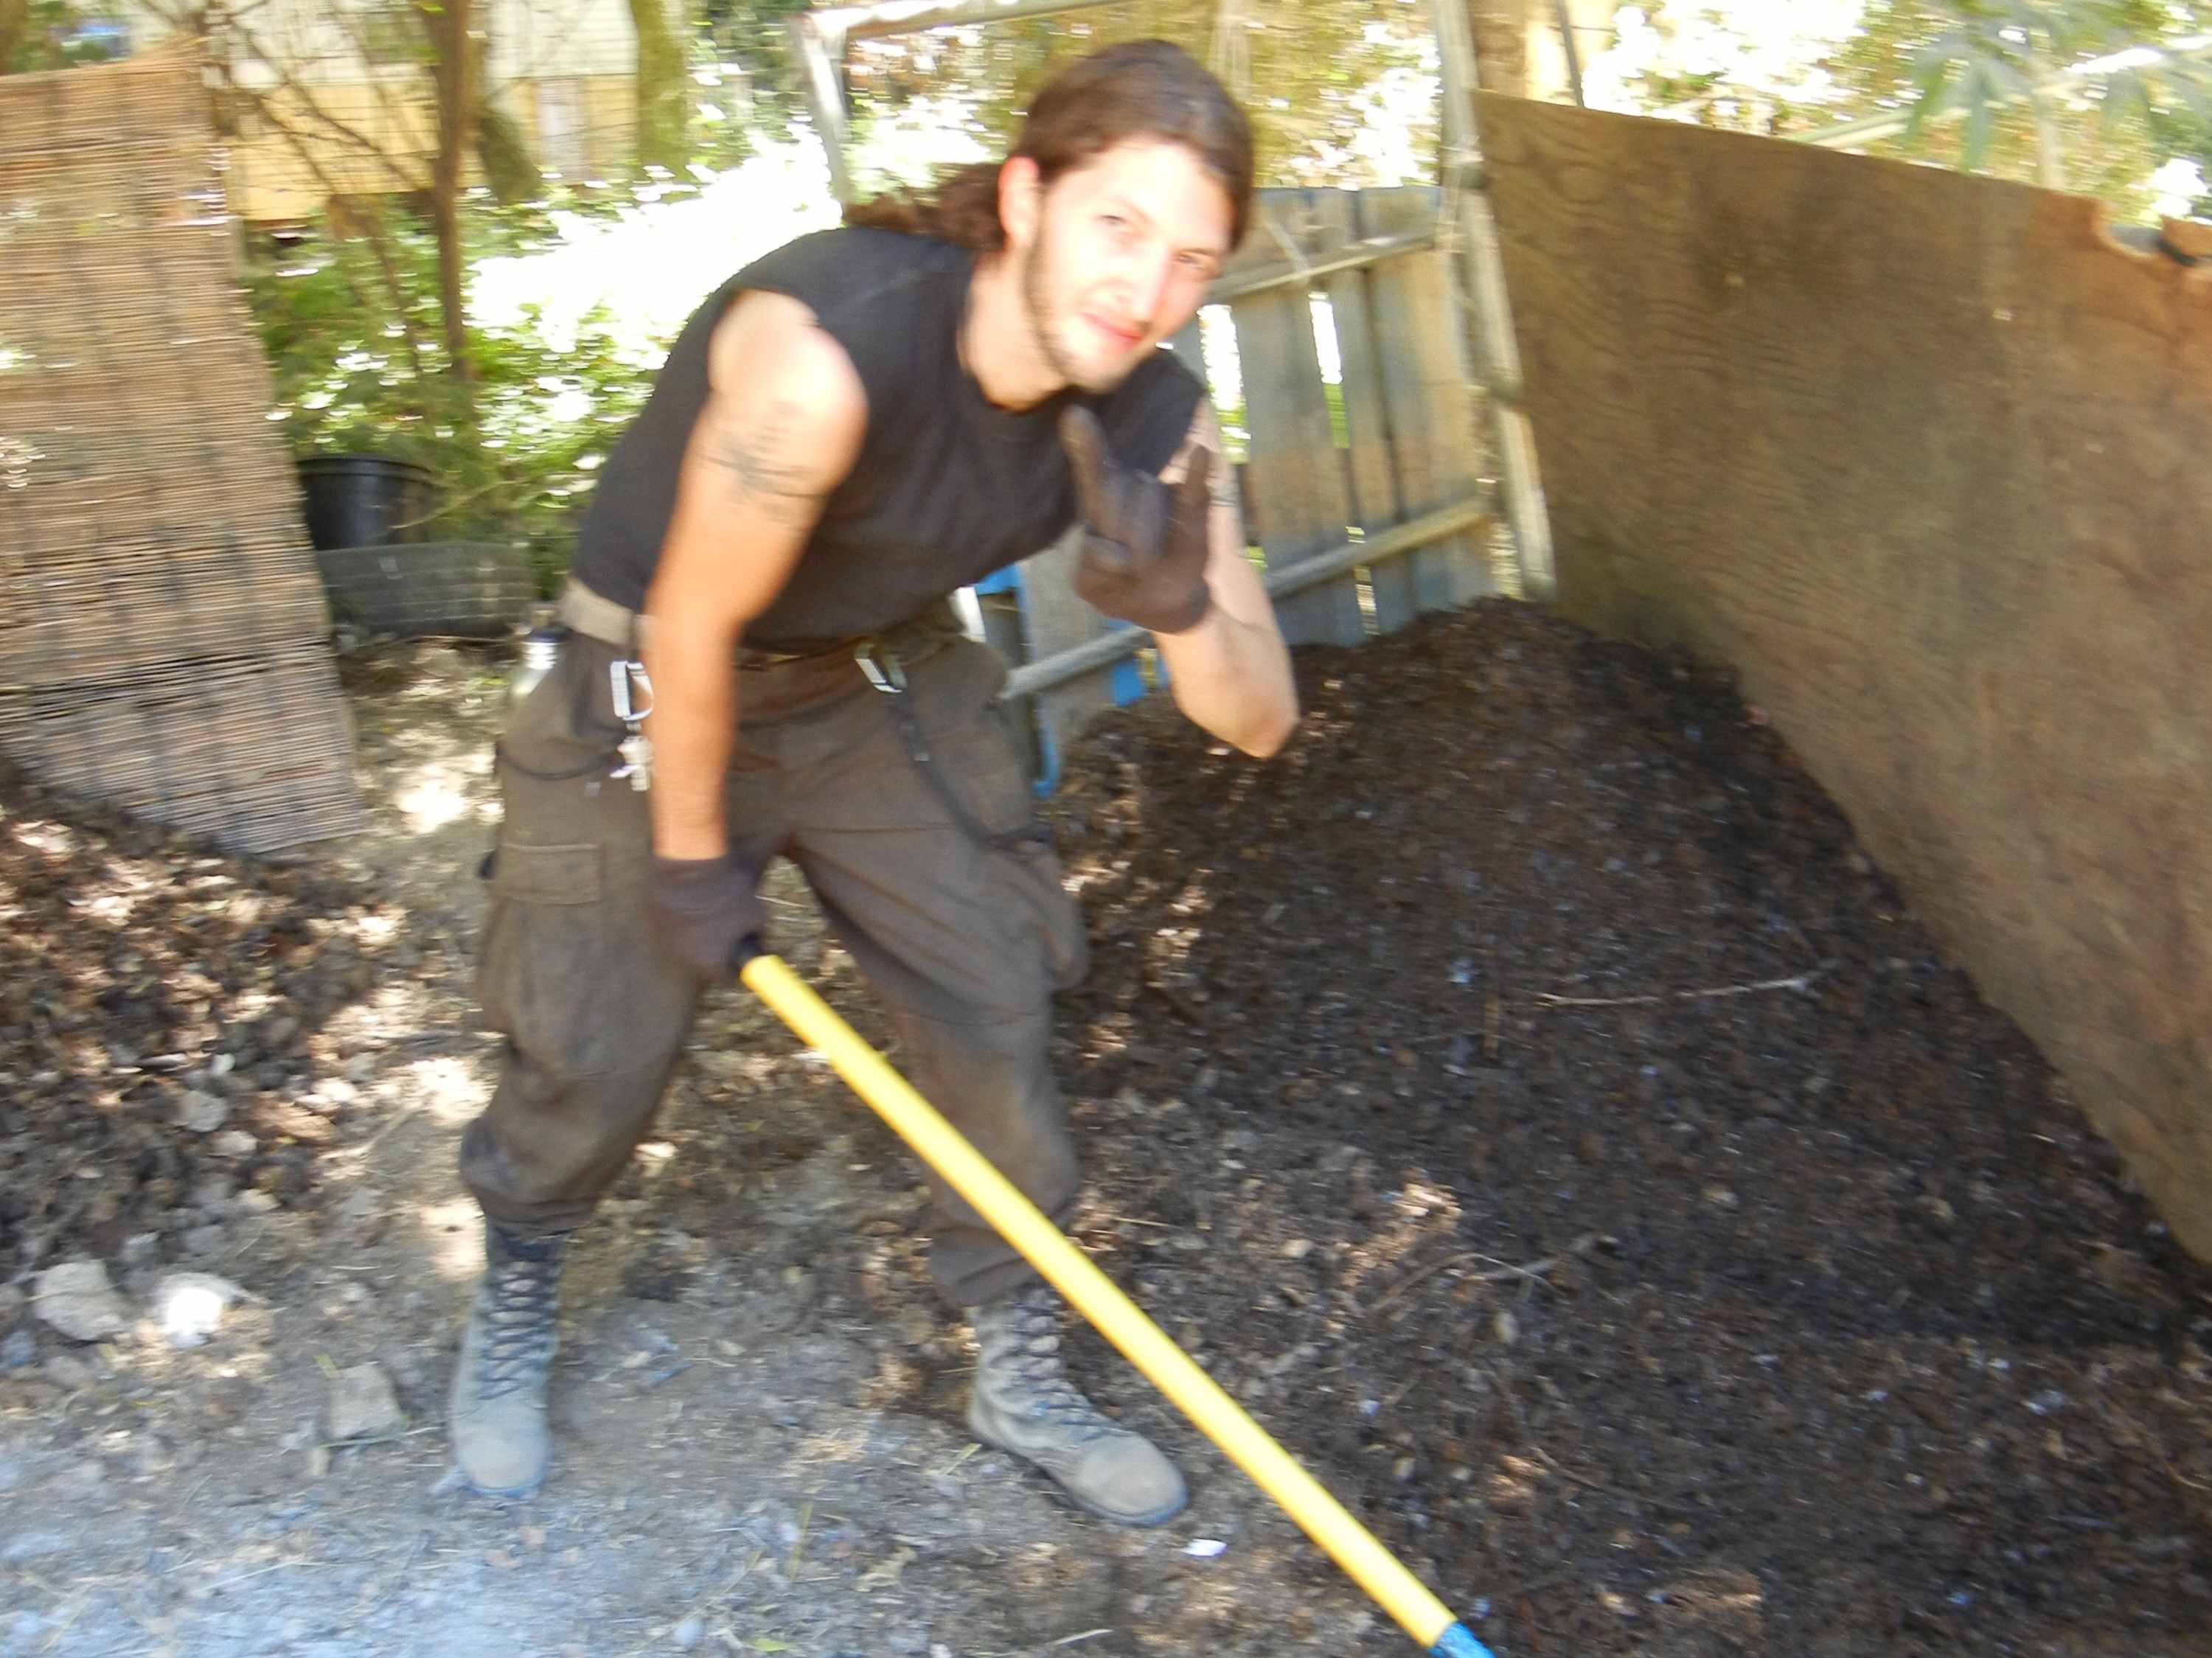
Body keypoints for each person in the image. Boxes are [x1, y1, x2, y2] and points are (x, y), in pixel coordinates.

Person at [447, 38, 1298, 1525]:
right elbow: (693, 620)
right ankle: (520, 1267)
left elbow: (1262, 717)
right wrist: (697, 860)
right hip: (647, 669)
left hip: (865, 673)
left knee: (994, 995)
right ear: (1028, 196)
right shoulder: (831, 346)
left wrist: (1177, 611)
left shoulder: (1156, 421)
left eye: (1191, 259)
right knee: (597, 1038)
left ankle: (1016, 1353)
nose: (1146, 287)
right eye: (1119, 226)